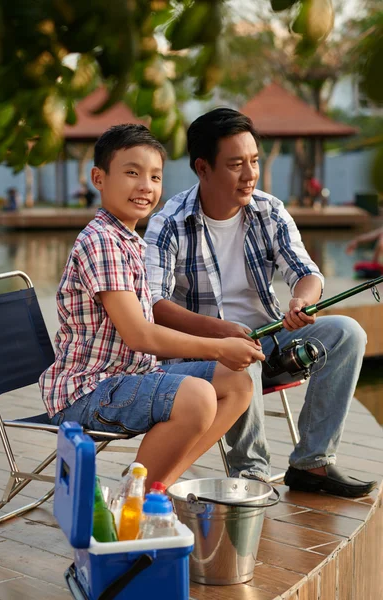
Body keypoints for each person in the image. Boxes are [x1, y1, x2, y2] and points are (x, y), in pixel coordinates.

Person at [144, 108, 377, 498]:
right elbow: (154, 305)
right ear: (203, 168)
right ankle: (250, 474)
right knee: (239, 354)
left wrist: (302, 301)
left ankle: (312, 464)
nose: (250, 173)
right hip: (203, 355)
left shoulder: (268, 209)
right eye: (235, 164)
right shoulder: (169, 223)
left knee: (347, 332)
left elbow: (307, 272)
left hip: (270, 338)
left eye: (254, 161)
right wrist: (222, 333)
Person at [39, 124, 263, 491]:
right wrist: (219, 346)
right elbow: (139, 334)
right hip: (87, 391)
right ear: (99, 177)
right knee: (197, 398)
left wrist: (222, 336)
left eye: (155, 176)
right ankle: (136, 496)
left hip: (131, 378)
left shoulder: (128, 240)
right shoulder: (101, 242)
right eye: (131, 172)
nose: (146, 186)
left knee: (236, 382)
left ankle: (157, 488)